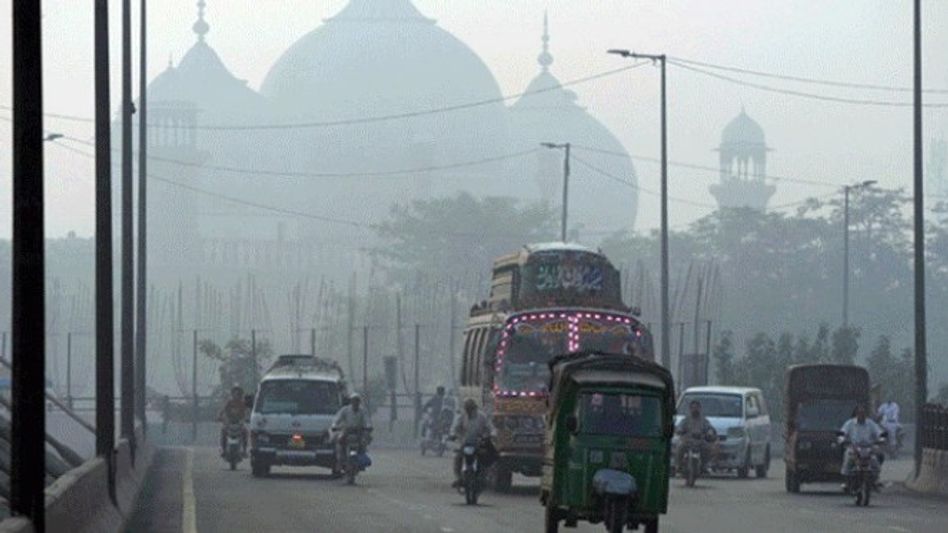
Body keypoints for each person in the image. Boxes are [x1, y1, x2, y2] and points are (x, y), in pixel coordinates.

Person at [449, 398, 494, 488]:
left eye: (470, 408)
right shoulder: (462, 416)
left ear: (474, 408)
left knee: (485, 458)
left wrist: (489, 435)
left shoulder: (482, 417)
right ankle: (459, 478)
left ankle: (483, 477)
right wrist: (453, 435)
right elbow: (456, 428)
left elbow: (489, 428)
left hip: (478, 443)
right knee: (458, 458)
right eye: (467, 409)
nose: (469, 411)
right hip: (465, 443)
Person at [839, 404, 884, 482]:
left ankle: (875, 480)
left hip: (868, 447)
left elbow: (879, 432)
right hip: (854, 447)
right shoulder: (850, 423)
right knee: (847, 461)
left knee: (876, 464)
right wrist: (842, 440)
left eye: (863, 413)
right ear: (856, 414)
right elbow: (842, 433)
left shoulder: (871, 423)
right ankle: (846, 482)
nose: (861, 415)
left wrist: (882, 439)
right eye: (859, 413)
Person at [332, 393, 373, 476]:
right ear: (351, 402)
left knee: (364, 441)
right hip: (347, 432)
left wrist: (368, 427)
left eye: (357, 401)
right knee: (339, 441)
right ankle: (340, 461)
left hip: (359, 433)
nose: (355, 403)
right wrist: (335, 425)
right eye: (354, 401)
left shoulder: (363, 411)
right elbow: (337, 419)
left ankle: (361, 459)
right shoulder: (345, 410)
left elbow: (367, 421)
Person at [675, 400, 716, 474]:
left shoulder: (704, 420)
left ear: (700, 408)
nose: (695, 409)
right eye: (693, 408)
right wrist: (680, 430)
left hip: (700, 441)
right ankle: (678, 466)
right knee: (680, 447)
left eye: (696, 407)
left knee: (707, 449)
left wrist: (710, 433)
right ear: (690, 409)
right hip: (687, 441)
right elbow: (679, 427)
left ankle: (704, 466)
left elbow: (710, 428)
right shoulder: (686, 420)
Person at [218, 386, 249, 457]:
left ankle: (244, 450)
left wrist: (248, 418)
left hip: (239, 423)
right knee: (223, 431)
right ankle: (223, 449)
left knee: (245, 432)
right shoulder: (229, 402)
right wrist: (219, 416)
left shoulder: (242, 403)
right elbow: (223, 410)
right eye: (235, 393)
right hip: (229, 423)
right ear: (232, 394)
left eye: (238, 393)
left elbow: (247, 412)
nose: (236, 395)